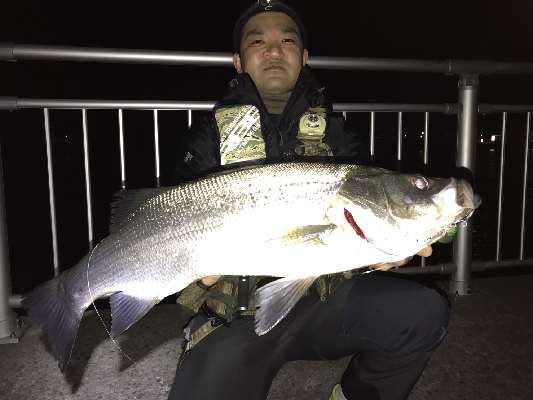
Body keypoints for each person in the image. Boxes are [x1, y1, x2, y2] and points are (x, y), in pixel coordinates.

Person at [169, 1, 448, 399]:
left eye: (287, 40)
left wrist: (385, 249)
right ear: (238, 61)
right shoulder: (206, 138)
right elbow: (171, 235)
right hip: (235, 317)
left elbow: (363, 220)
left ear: (304, 57)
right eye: (257, 41)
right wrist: (198, 276)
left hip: (325, 303)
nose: (273, 50)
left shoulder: (337, 135)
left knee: (422, 313)